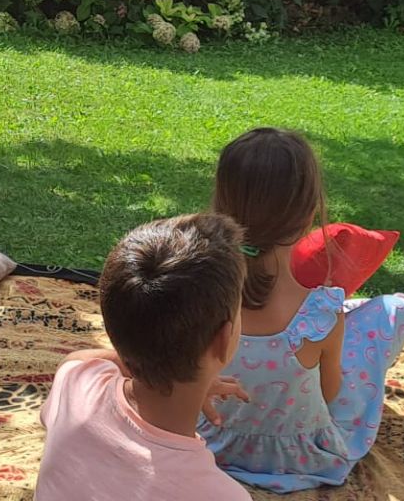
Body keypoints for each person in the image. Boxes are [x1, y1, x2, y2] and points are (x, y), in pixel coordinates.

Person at [198, 128, 404, 492]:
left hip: (214, 444)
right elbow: (330, 395)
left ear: (220, 204)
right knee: (395, 310)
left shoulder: (196, 296)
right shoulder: (321, 313)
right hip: (301, 458)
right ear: (309, 215)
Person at [35, 213, 252, 501]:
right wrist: (185, 373)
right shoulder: (222, 496)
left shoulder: (77, 384)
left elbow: (76, 360)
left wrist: (155, 361)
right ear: (223, 341)